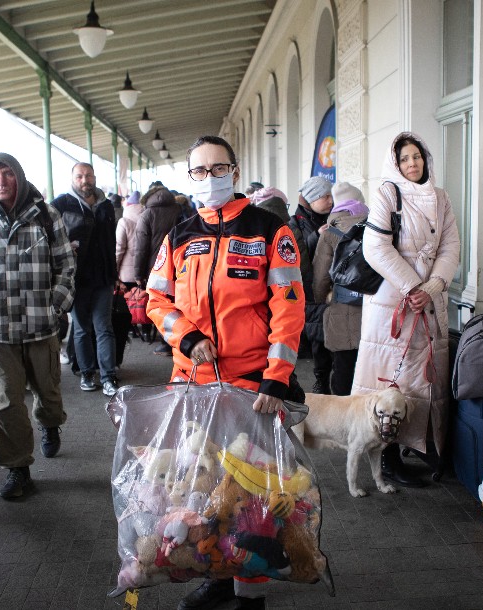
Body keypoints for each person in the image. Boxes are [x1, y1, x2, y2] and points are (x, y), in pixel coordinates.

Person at [146, 135, 305, 610]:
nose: (210, 178)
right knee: (202, 486)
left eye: (219, 168)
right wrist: (189, 338)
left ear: (235, 171)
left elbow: (290, 307)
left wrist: (277, 377)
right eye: (199, 170)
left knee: (255, 493)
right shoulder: (179, 234)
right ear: (189, 177)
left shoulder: (270, 231)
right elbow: (157, 299)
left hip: (251, 387)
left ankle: (251, 590)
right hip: (191, 385)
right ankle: (215, 573)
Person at [0, 152, 76, 499]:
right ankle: (17, 469)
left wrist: (55, 306)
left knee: (49, 393)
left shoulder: (45, 214)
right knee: (7, 402)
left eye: (7, 174)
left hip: (42, 327)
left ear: (19, 178)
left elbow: (66, 266)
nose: (0, 182)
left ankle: (50, 424)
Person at [352, 132, 460, 488]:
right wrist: (412, 287)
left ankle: (419, 444)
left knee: (424, 378)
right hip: (393, 300)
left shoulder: (441, 198)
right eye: (405, 159)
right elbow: (375, 246)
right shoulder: (387, 193)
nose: (412, 164)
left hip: (429, 300)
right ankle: (386, 457)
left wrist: (433, 287)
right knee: (389, 377)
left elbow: (450, 248)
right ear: (395, 164)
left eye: (417, 156)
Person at [51, 162, 119, 396]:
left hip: (103, 277)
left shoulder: (106, 206)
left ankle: (109, 375)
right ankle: (87, 372)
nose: (84, 180)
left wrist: (115, 275)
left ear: (95, 178)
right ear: (72, 179)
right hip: (75, 278)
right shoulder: (61, 205)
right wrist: (65, 248)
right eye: (79, 176)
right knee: (81, 328)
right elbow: (50, 238)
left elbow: (112, 244)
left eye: (88, 175)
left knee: (104, 327)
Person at [311, 182, 369, 396]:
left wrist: (323, 299)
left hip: (341, 307)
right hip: (374, 310)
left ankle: (343, 423)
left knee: (343, 371)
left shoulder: (330, 232)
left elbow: (320, 278)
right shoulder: (377, 227)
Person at [291, 175, 335, 394]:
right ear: (311, 199)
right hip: (311, 290)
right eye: (324, 196)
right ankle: (321, 380)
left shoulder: (335, 217)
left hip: (333, 288)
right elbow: (296, 255)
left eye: (331, 195)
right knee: (319, 336)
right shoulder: (296, 223)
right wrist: (316, 237)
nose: (330, 200)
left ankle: (331, 379)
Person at [133, 183, 181, 356]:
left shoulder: (146, 214)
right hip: (179, 263)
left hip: (156, 267)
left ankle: (165, 342)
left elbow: (140, 248)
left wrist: (138, 275)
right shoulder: (179, 210)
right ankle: (179, 340)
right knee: (178, 302)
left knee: (161, 304)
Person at [115, 190, 143, 290]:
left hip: (126, 274)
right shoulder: (148, 219)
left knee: (127, 304)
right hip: (144, 274)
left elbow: (119, 249)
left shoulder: (124, 222)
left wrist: (114, 271)